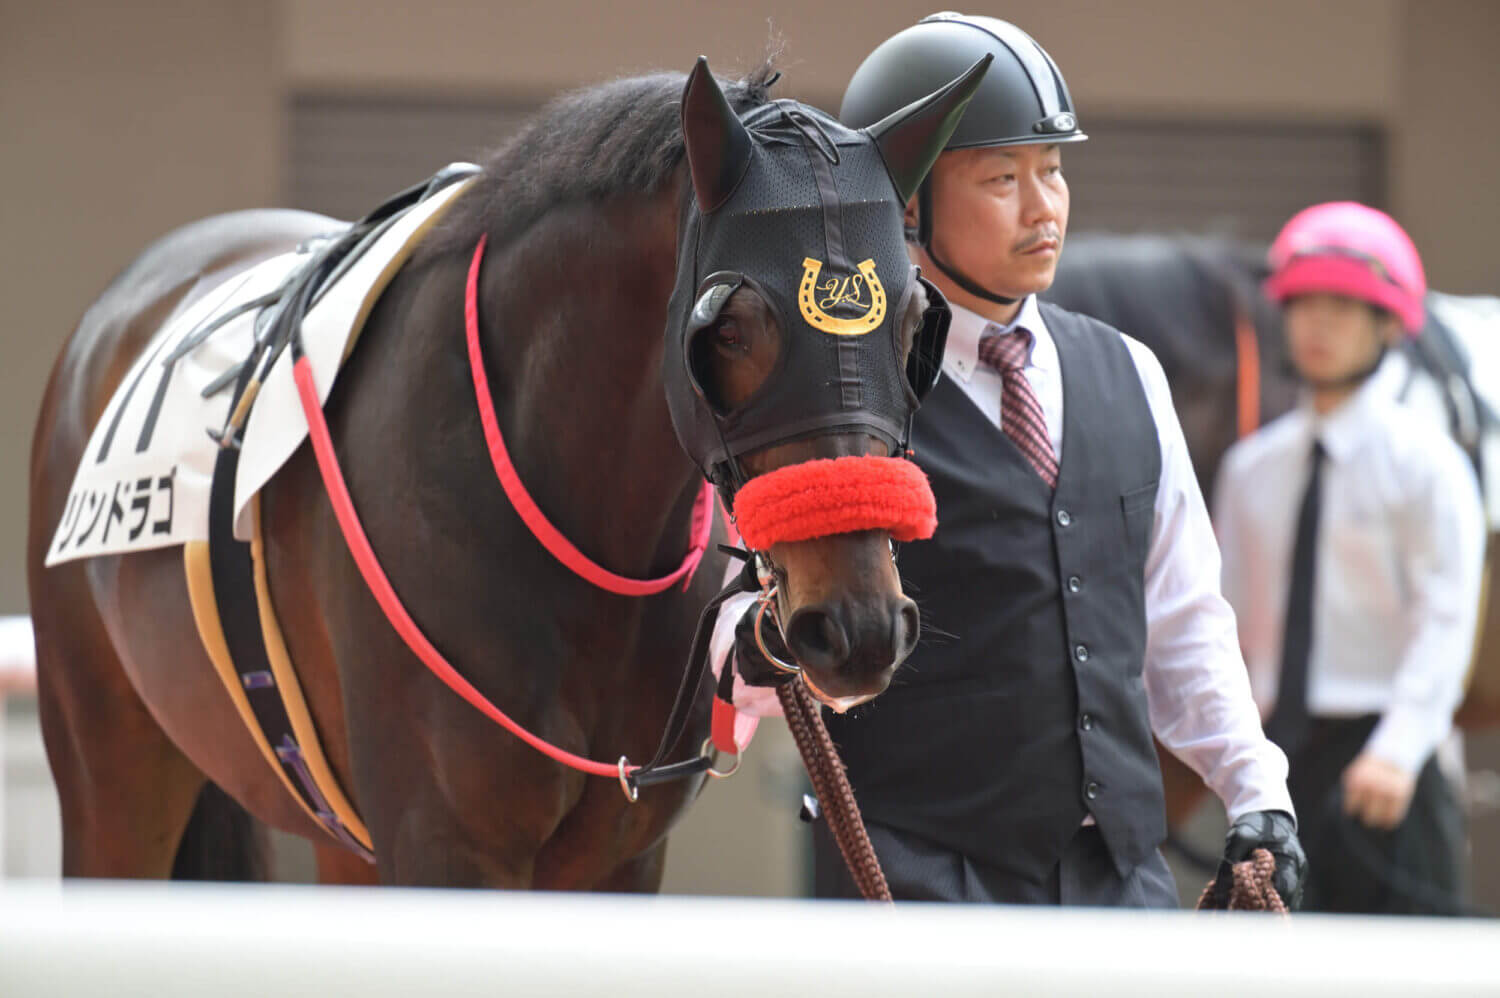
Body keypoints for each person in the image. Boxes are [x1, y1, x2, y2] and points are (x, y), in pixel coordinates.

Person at [711, 13, 1304, 906]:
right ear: (908, 204)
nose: (1045, 208)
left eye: (1053, 171)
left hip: (1122, 882)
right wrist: (756, 652)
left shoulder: (1130, 372)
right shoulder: (844, 399)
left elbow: (1184, 618)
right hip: (913, 885)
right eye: (1002, 178)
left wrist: (1258, 793)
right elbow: (729, 621)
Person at [1214, 201, 1482, 913]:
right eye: (1305, 305)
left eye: (1345, 305)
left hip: (1389, 766)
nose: (1319, 325)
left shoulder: (1427, 464)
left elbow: (1446, 618)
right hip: (1281, 766)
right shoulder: (1252, 470)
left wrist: (1397, 752)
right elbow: (1226, 623)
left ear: (1389, 323)